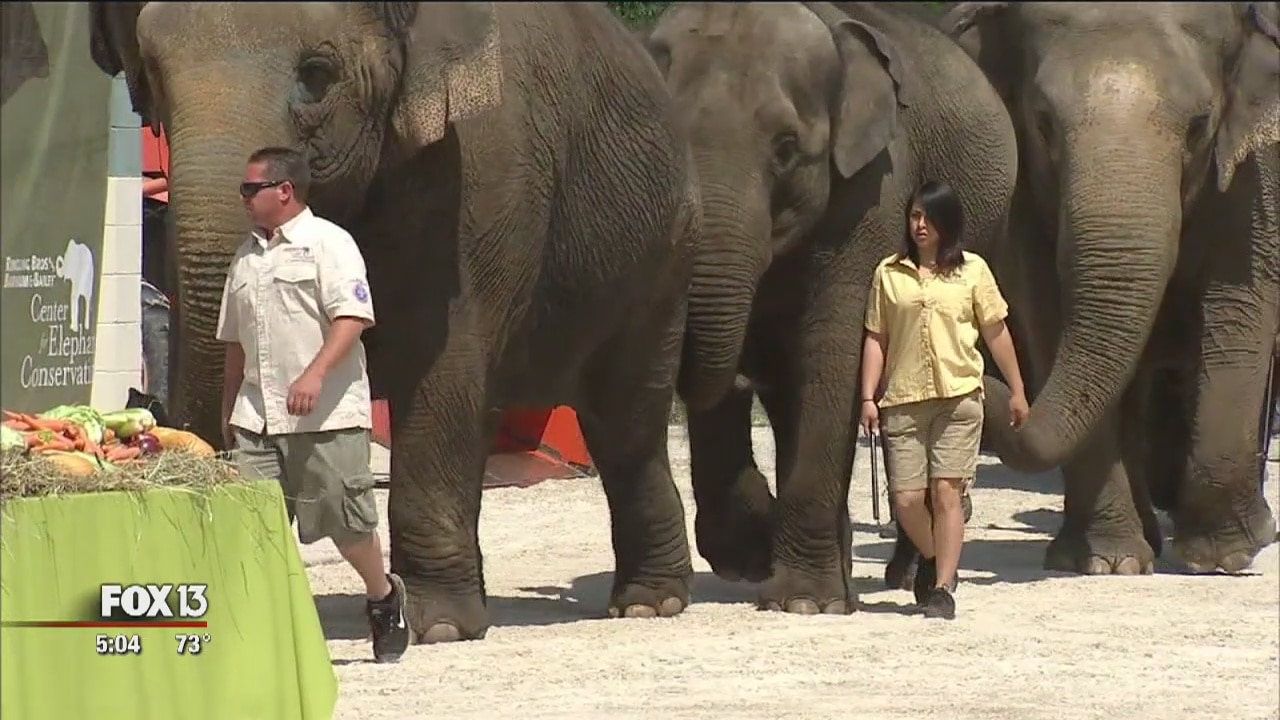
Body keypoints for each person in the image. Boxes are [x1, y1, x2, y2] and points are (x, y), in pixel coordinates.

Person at [216, 146, 410, 662]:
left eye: (249, 189)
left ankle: (383, 596)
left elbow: (353, 316)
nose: (243, 198)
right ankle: (266, 630)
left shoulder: (330, 244)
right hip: (257, 418)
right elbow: (235, 340)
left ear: (284, 190)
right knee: (252, 527)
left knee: (346, 525)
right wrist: (229, 404)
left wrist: (315, 374)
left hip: (325, 414)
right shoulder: (245, 256)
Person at [859, 179, 1029, 620]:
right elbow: (877, 337)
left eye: (928, 217)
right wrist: (868, 396)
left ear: (946, 223)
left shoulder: (973, 271)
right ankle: (936, 555)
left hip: (959, 397)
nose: (919, 225)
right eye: (914, 215)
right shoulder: (888, 273)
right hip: (904, 397)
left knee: (947, 492)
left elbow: (996, 331)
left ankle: (942, 588)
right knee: (908, 501)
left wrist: (1017, 390)